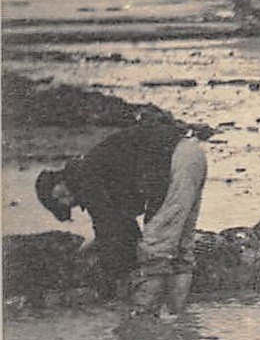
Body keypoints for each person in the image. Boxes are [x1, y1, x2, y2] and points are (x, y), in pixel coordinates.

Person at [35, 118, 209, 315]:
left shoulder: (84, 178)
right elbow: (122, 220)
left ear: (59, 186)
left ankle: (143, 324)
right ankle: (180, 319)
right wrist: (102, 242)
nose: (69, 203)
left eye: (61, 200)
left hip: (171, 163)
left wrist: (115, 273)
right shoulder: (93, 164)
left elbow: (109, 226)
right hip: (192, 151)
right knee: (180, 250)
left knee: (154, 250)